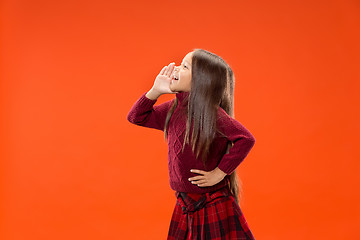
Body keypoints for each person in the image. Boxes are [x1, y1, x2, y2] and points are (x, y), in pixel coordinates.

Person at [127, 48, 256, 240]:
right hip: (185, 203)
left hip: (211, 202)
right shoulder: (172, 108)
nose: (177, 68)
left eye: (185, 66)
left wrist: (220, 172)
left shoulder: (212, 114)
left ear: (201, 81)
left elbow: (246, 139)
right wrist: (155, 91)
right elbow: (136, 117)